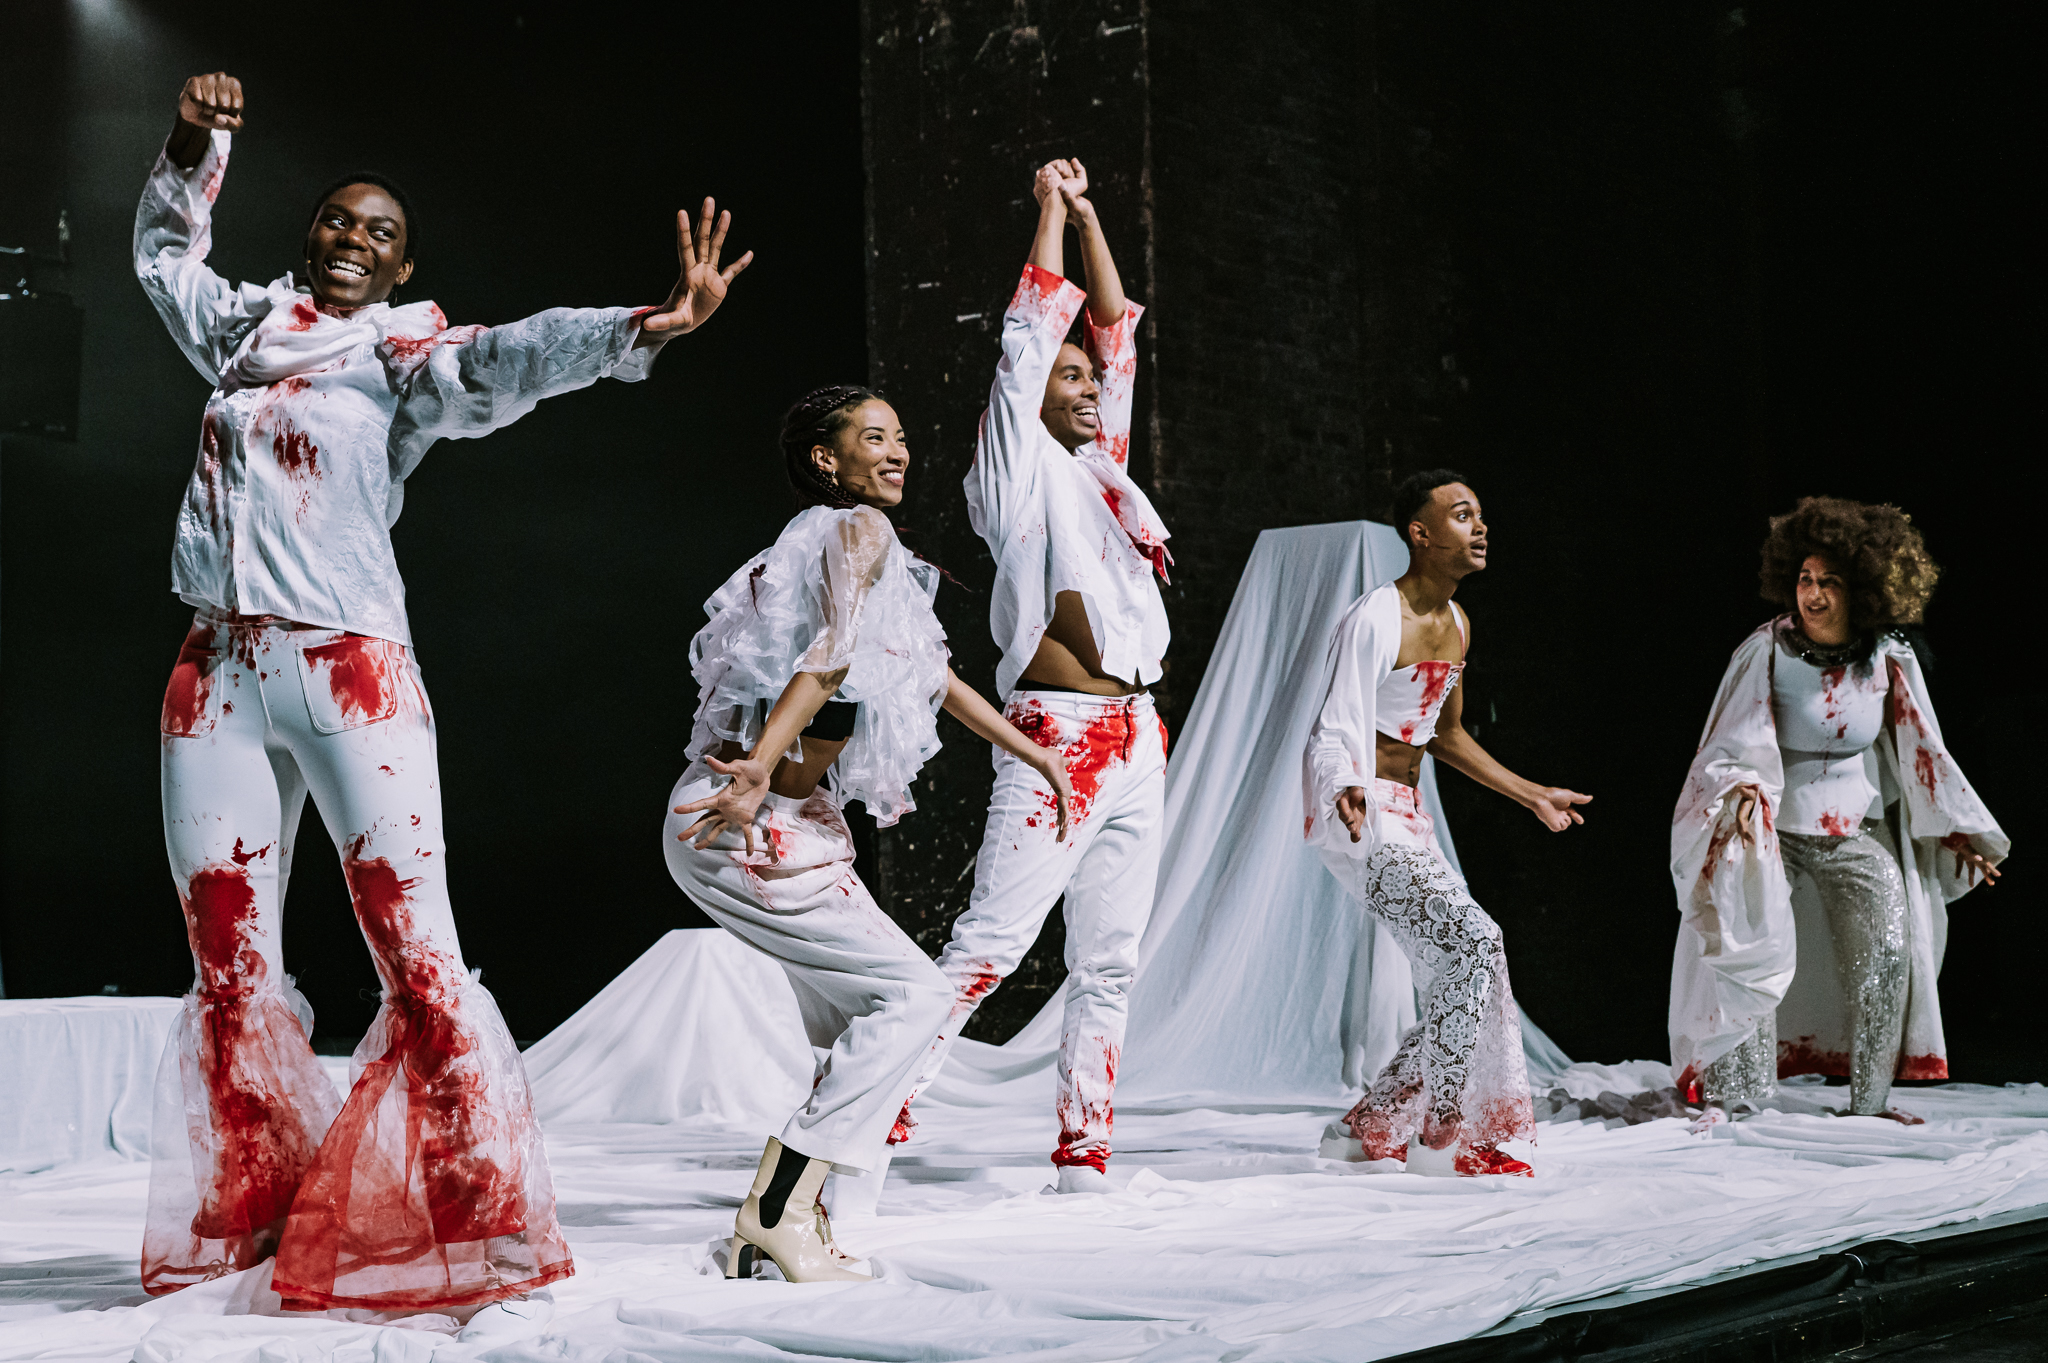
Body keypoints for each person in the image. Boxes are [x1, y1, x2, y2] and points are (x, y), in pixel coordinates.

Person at [136, 72, 750, 1313]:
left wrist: (645, 328)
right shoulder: (241, 331)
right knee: (230, 968)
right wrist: (196, 145)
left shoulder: (403, 351)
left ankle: (476, 1228)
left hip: (348, 665)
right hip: (214, 672)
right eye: (336, 221)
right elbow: (161, 252)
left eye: (380, 231)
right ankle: (254, 1215)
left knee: (417, 953)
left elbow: (515, 354)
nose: (354, 240)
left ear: (403, 259)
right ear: (307, 233)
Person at [665, 386, 1074, 1281]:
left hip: (772, 820)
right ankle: (776, 1210)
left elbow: (934, 676)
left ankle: (778, 1222)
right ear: (827, 459)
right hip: (750, 817)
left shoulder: (831, 543)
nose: (898, 453)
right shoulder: (856, 533)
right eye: (874, 437)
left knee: (866, 1018)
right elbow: (831, 657)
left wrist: (1033, 753)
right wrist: (766, 768)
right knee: (917, 1003)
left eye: (901, 439)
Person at [887, 159, 1172, 1194]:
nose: (1088, 384)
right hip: (1055, 736)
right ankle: (876, 1101)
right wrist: (1048, 210)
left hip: (1138, 738)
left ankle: (1083, 1144)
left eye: (1089, 379)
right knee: (992, 944)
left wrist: (1096, 215)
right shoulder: (1014, 471)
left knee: (1109, 959)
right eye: (1070, 378)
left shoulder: (1107, 473)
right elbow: (1027, 340)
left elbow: (1114, 328)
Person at [1669, 497, 2007, 1125]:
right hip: (1772, 832)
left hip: (1853, 831)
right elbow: (1730, 739)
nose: (1814, 594)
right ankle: (1742, 1098)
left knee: (1889, 948)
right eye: (1805, 580)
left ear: (1867, 591)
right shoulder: (1766, 651)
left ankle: (1870, 1101)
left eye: (1830, 582)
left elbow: (1923, 751)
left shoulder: (1888, 658)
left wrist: (1958, 832)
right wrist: (1743, 788)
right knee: (1751, 950)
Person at [1303, 471, 1589, 1176]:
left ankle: (1371, 1122)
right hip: (1359, 815)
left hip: (1409, 814)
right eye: (1464, 516)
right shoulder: (1377, 615)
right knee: (1476, 943)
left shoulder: (1458, 624)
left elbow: (1447, 737)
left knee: (1467, 967)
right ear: (1420, 534)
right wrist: (1343, 782)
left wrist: (1531, 794)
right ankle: (1441, 1129)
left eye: (1482, 515)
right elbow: (1333, 715)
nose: (1481, 527)